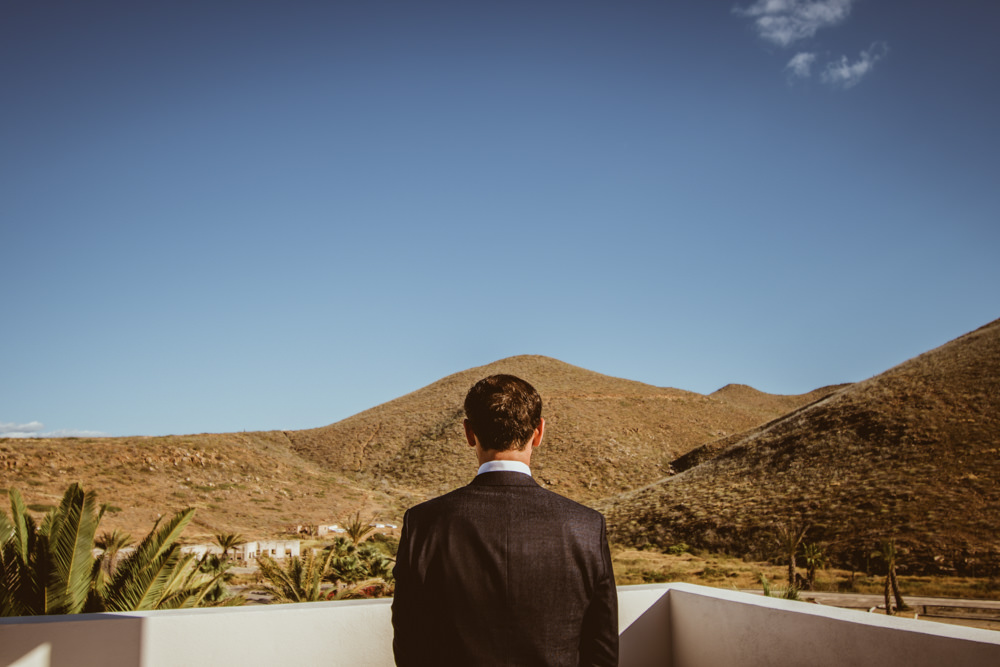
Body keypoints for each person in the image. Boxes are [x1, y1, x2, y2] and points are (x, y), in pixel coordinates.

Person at [391, 374, 618, 667]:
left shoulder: (422, 524)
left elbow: (410, 645)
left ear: (469, 432)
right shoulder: (586, 526)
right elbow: (602, 650)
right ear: (539, 432)